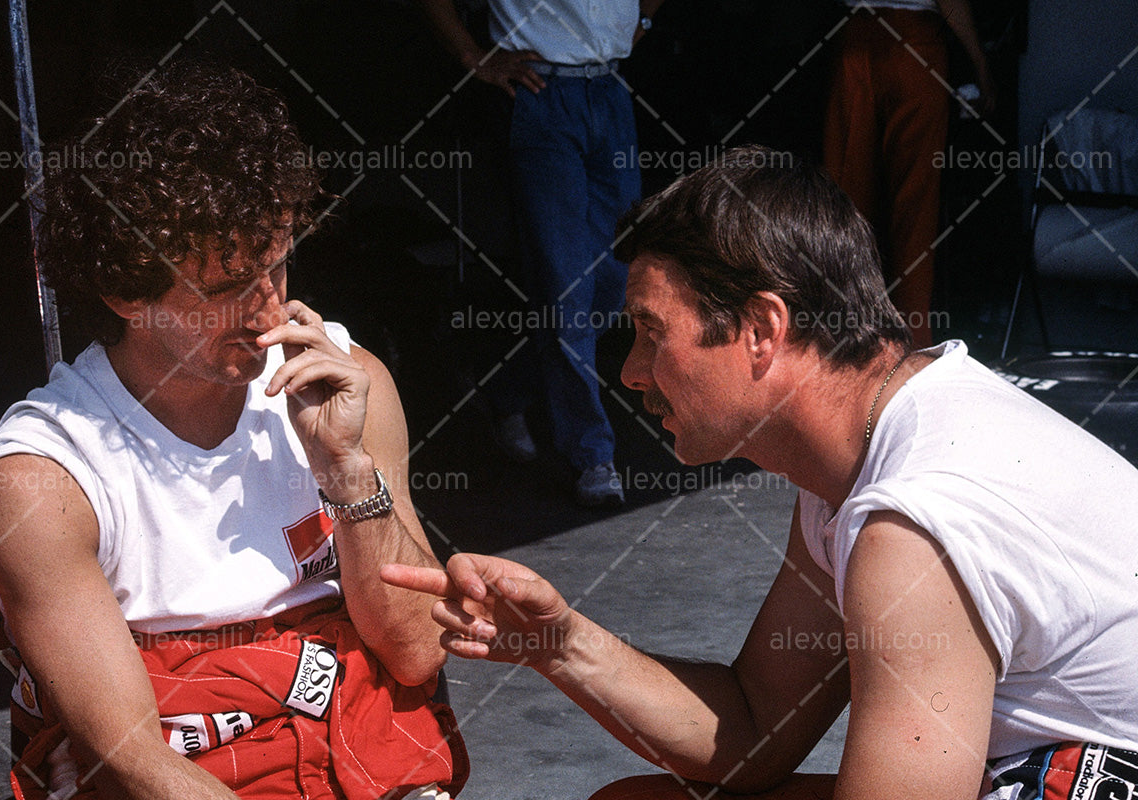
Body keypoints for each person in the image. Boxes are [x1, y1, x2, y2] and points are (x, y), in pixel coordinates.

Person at [383, 146, 1138, 799]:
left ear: (761, 329)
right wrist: (560, 643)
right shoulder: (868, 460)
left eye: (651, 333)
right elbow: (753, 725)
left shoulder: (914, 520)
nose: (632, 373)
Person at [0, 60, 467, 800]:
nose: (270, 314)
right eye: (229, 288)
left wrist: (347, 468)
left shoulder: (345, 381)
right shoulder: (45, 476)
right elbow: (135, 762)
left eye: (279, 265)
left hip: (354, 759)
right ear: (125, 293)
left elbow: (419, 651)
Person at [419, 0, 665, 505]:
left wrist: (641, 20)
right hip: (540, 93)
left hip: (609, 90)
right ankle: (592, 455)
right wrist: (473, 55)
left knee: (618, 279)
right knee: (565, 286)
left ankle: (507, 390)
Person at [823, 0, 996, 348]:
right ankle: (910, 343)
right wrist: (980, 63)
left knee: (844, 200)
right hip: (914, 43)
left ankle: (838, 336)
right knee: (914, 206)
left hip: (856, 38)